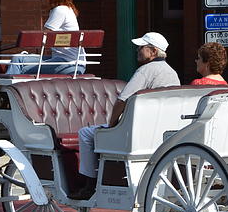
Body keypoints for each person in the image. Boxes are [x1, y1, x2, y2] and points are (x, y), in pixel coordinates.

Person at [70, 32, 180, 200]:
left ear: (152, 51)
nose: (137, 50)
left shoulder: (145, 71)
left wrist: (112, 124)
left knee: (85, 133)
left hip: (136, 131)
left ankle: (89, 184)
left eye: (141, 48)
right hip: (160, 132)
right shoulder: (172, 73)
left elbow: (122, 100)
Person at [5, 0, 85, 75]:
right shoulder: (68, 9)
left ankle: (7, 90)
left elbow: (42, 38)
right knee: (19, 59)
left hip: (67, 64)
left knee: (19, 64)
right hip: (73, 63)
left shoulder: (59, 10)